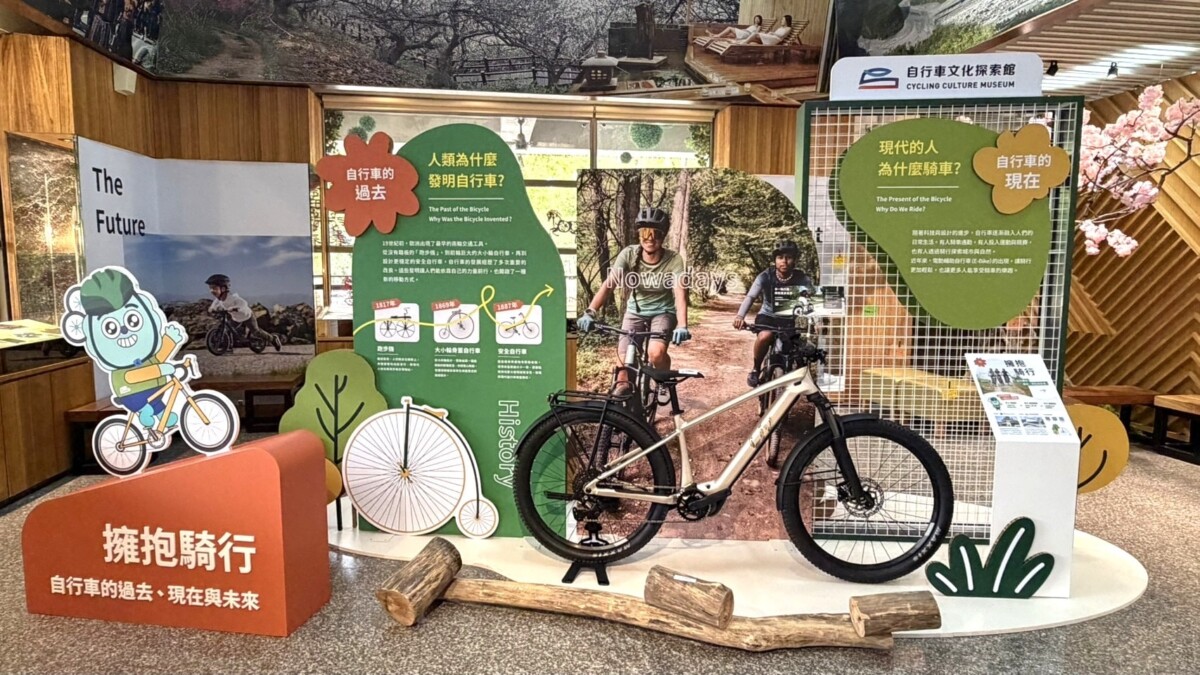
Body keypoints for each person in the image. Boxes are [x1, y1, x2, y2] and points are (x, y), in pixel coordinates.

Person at [578, 207, 690, 395]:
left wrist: (682, 325)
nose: (650, 238)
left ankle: (663, 379)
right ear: (639, 235)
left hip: (663, 312)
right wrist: (590, 312)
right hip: (635, 311)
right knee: (622, 365)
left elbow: (680, 294)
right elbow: (609, 284)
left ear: (663, 236)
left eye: (656, 234)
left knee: (656, 353)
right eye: (645, 233)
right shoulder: (629, 254)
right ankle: (625, 400)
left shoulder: (674, 259)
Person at [733, 240, 814, 387]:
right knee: (765, 336)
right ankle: (756, 368)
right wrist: (740, 316)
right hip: (767, 317)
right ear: (775, 260)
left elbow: (813, 300)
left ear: (795, 260)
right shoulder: (765, 276)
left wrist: (815, 320)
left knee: (793, 349)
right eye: (780, 257)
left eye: (789, 257)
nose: (784, 261)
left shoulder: (802, 278)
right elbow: (751, 296)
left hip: (789, 319)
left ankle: (797, 383)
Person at [206, 274, 283, 351]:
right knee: (228, 329)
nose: (212, 291)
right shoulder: (219, 299)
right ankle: (229, 347)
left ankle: (273, 339)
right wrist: (211, 308)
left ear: (223, 288)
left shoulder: (233, 297)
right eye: (210, 288)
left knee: (256, 331)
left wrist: (235, 308)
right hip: (236, 318)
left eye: (214, 288)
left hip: (247, 316)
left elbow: (244, 303)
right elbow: (214, 304)